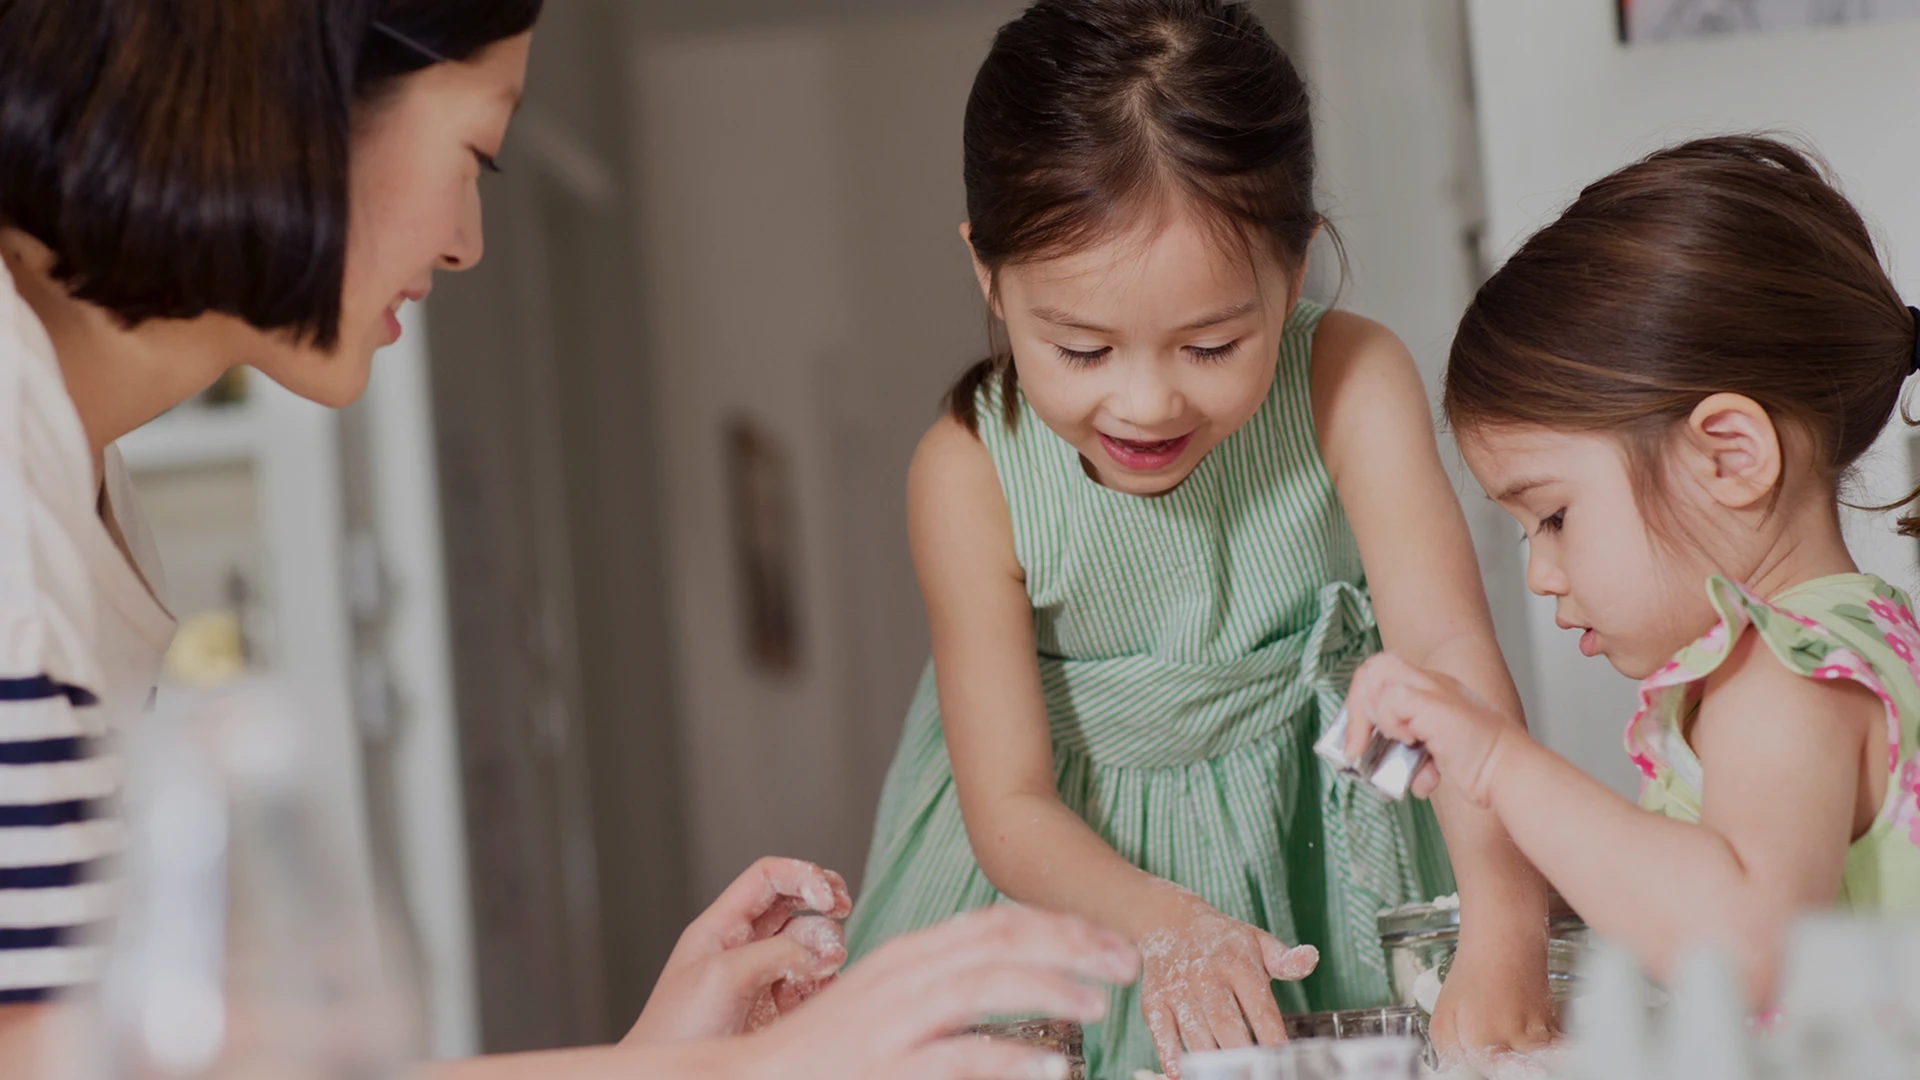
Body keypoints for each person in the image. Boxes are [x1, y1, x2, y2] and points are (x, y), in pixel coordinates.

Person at [0, 2, 1137, 1077]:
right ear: (289, 94)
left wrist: (663, 1065)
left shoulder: (66, 470)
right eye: (476, 153)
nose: (465, 243)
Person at [844, 1, 1554, 1074]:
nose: (1146, 405)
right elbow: (1008, 805)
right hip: (1073, 893)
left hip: (1320, 858)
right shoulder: (968, 471)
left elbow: (1449, 663)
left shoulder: (1351, 384)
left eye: (1212, 345)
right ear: (989, 273)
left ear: (1295, 268)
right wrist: (1166, 924)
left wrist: (1504, 929)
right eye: (1082, 351)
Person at [1345, 135, 1920, 1006]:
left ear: (1729, 457)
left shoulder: (1781, 678)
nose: (1541, 575)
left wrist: (1499, 764)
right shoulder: (1861, 631)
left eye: (1554, 517)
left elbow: (1745, 952)